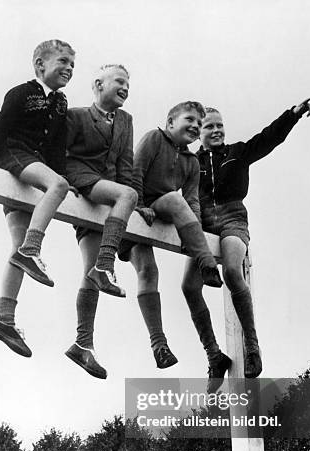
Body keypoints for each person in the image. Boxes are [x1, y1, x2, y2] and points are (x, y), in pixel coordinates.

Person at [181, 97, 310, 389]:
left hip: (232, 219)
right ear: (198, 132)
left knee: (231, 271)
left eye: (220, 125)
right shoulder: (190, 161)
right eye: (209, 126)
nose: (216, 130)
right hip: (202, 223)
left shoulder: (239, 153)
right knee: (188, 286)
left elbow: (269, 138)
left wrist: (291, 114)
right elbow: (168, 184)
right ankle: (214, 355)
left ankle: (252, 345)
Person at [64, 65, 177, 379]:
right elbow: (59, 154)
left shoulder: (125, 120)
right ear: (99, 84)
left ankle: (159, 343)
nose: (126, 87)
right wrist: (63, 181)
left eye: (129, 83)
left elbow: (126, 165)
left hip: (121, 200)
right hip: (89, 191)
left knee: (148, 267)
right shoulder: (75, 116)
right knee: (90, 272)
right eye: (119, 81)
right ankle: (83, 342)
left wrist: (137, 201)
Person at [0, 39, 76, 358]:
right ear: (40, 64)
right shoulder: (22, 92)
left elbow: (56, 146)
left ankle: (4, 318)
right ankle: (33, 248)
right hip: (14, 155)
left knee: (17, 246)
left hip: (33, 169)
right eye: (63, 61)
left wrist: (62, 175)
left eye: (72, 65)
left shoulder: (61, 102)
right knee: (57, 187)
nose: (68, 68)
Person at [131, 101, 223, 290]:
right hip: (138, 207)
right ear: (171, 122)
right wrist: (139, 204)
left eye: (199, 123)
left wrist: (194, 233)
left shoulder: (192, 162)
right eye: (189, 119)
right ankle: (207, 261)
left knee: (175, 199)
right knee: (148, 271)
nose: (195, 126)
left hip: (164, 208)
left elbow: (192, 201)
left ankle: (207, 266)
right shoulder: (154, 138)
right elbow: (136, 172)